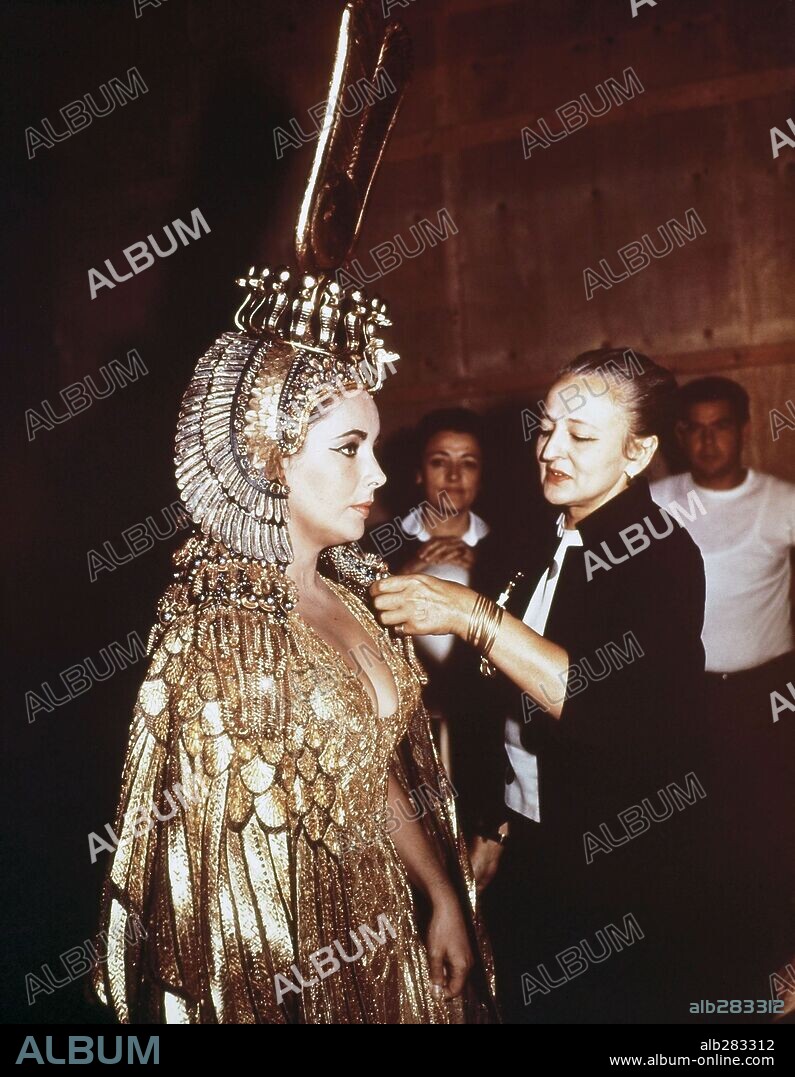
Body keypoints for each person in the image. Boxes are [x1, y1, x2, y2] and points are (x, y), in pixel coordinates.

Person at [90, 3, 497, 1025]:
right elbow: (208, 916)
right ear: (268, 462)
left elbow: (372, 774)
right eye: (348, 450)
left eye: (374, 447)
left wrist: (442, 897)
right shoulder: (213, 643)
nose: (378, 477)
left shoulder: (360, 595)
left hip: (392, 949)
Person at [372, 350, 721, 1023]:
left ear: (638, 450)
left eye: (581, 436)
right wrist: (492, 819)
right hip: (534, 842)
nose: (550, 448)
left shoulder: (661, 553)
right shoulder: (529, 542)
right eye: (546, 427)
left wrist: (474, 616)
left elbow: (605, 706)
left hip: (622, 857)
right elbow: (494, 704)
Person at [651, 376, 795, 986]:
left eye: (721, 426)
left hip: (770, 695)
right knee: (696, 839)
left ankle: (781, 972)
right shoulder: (655, 501)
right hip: (688, 697)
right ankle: (714, 977)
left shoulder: (783, 501)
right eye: (696, 428)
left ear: (742, 429)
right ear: (680, 435)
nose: (709, 441)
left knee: (773, 831)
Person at [373, 409, 505, 843]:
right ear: (417, 472)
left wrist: (483, 580)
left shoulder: (509, 549)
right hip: (399, 747)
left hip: (485, 752)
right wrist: (401, 576)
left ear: (483, 475)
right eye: (439, 461)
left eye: (468, 462)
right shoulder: (376, 545)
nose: (452, 476)